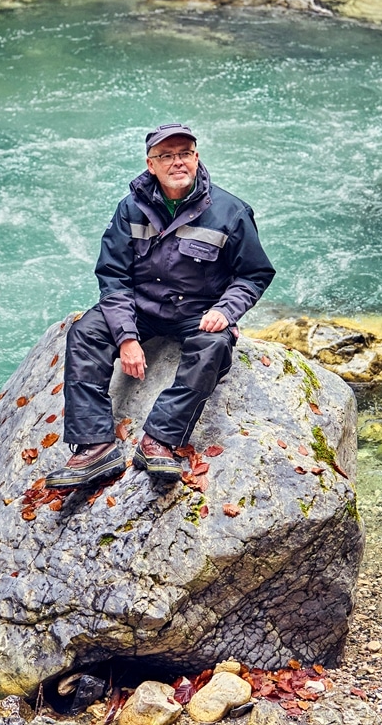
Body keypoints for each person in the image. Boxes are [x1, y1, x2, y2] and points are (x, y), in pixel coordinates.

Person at [46, 123, 275, 490]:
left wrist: (226, 310)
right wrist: (125, 336)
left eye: (185, 153)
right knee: (86, 332)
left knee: (213, 346)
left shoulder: (231, 211)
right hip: (140, 307)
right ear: (151, 165)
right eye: (166, 156)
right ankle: (95, 446)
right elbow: (113, 274)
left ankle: (160, 440)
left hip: (197, 311)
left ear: (197, 158)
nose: (177, 162)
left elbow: (254, 274)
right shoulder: (130, 208)